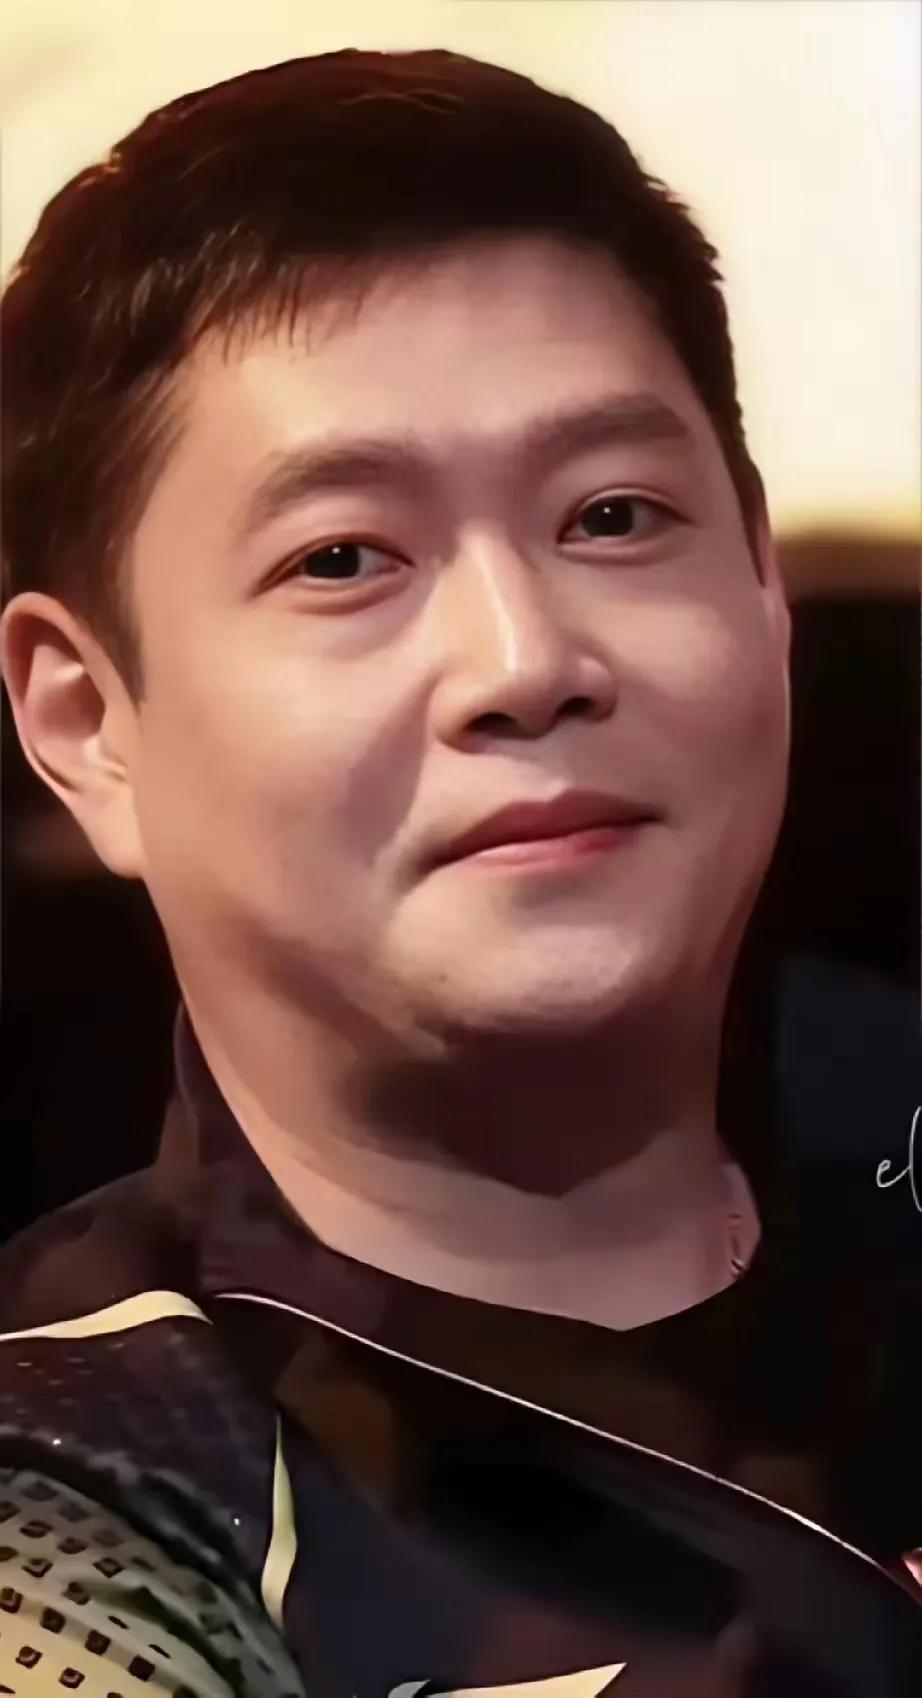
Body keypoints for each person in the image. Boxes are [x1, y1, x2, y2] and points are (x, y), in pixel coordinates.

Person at [0, 47, 919, 1698]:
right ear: (87, 723)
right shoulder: (80, 1492)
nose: (525, 658)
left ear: (763, 586)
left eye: (613, 516)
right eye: (343, 557)